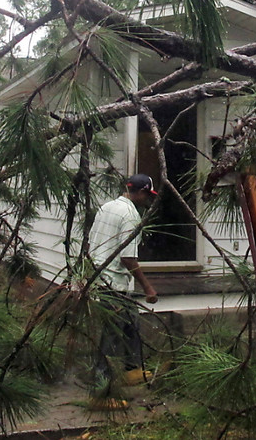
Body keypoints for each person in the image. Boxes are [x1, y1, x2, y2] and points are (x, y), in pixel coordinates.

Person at [89, 174, 159, 406]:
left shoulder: (107, 206)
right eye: (147, 195)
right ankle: (101, 391)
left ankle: (131, 370)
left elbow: (92, 240)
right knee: (111, 337)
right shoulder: (130, 215)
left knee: (132, 324)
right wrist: (147, 286)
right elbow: (128, 258)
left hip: (101, 277)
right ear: (140, 192)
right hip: (113, 284)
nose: (148, 200)